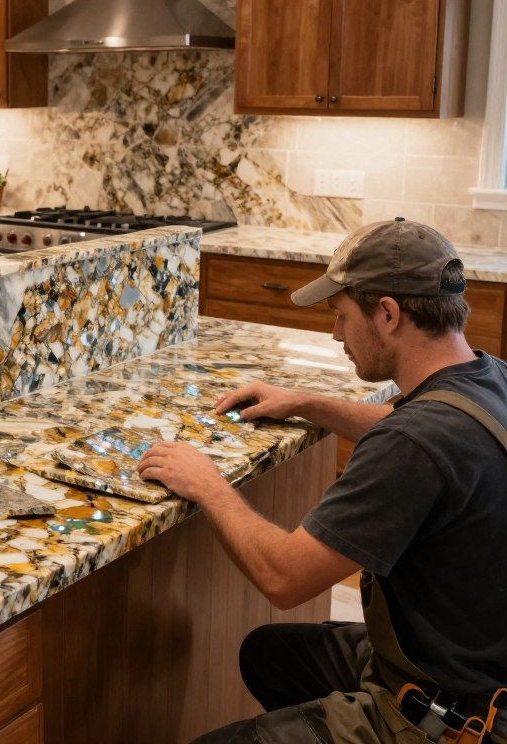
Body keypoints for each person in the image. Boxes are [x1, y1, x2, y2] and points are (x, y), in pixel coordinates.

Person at [137, 217, 507, 744]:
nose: (335, 334)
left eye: (340, 315)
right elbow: (426, 434)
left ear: (388, 314)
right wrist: (308, 403)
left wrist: (208, 483)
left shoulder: (414, 445)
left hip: (459, 717)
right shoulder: (490, 377)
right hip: (474, 660)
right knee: (269, 654)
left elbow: (284, 578)